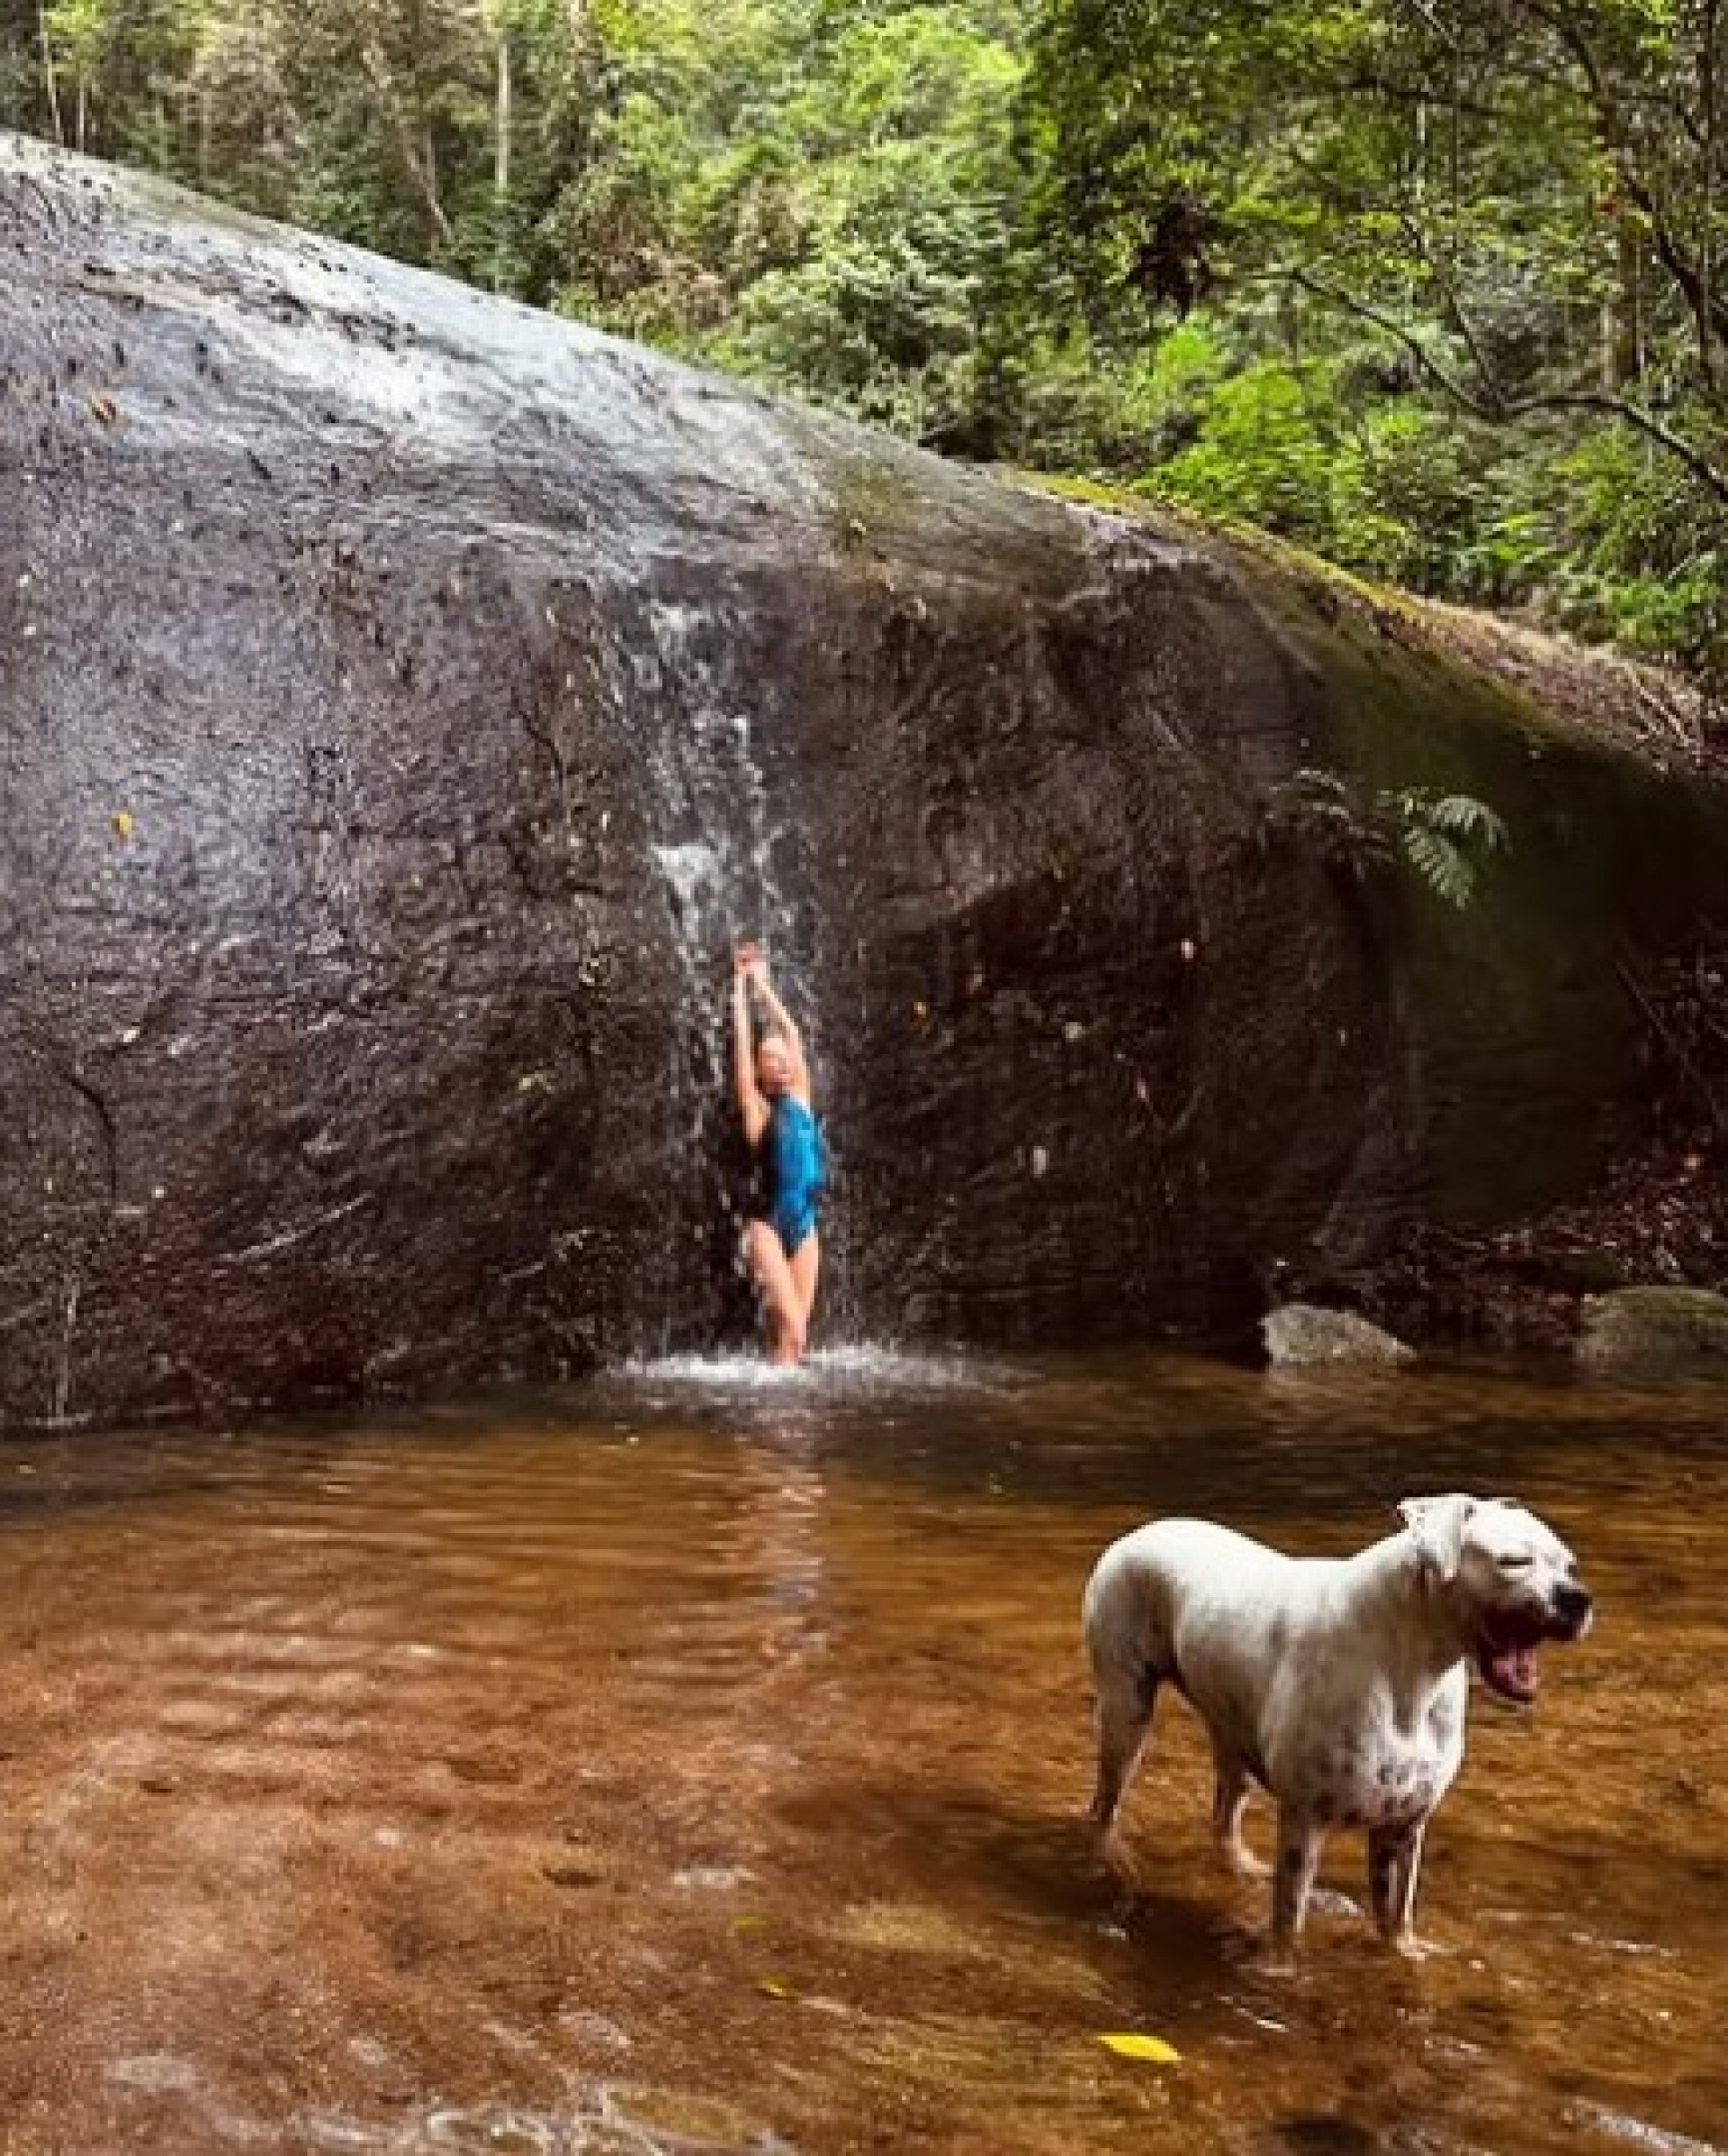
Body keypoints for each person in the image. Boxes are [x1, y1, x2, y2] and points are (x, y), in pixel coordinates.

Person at [731, 942, 824, 1365]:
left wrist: (763, 987)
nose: (782, 1062)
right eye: (771, 1058)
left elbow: (794, 1034)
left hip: (805, 1226)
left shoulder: (802, 1098)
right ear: (761, 1069)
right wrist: (739, 987)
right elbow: (741, 1053)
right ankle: (775, 1412)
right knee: (796, 1330)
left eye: (785, 1058)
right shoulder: (757, 1111)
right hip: (767, 1225)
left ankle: (781, 1416)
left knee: (793, 1341)